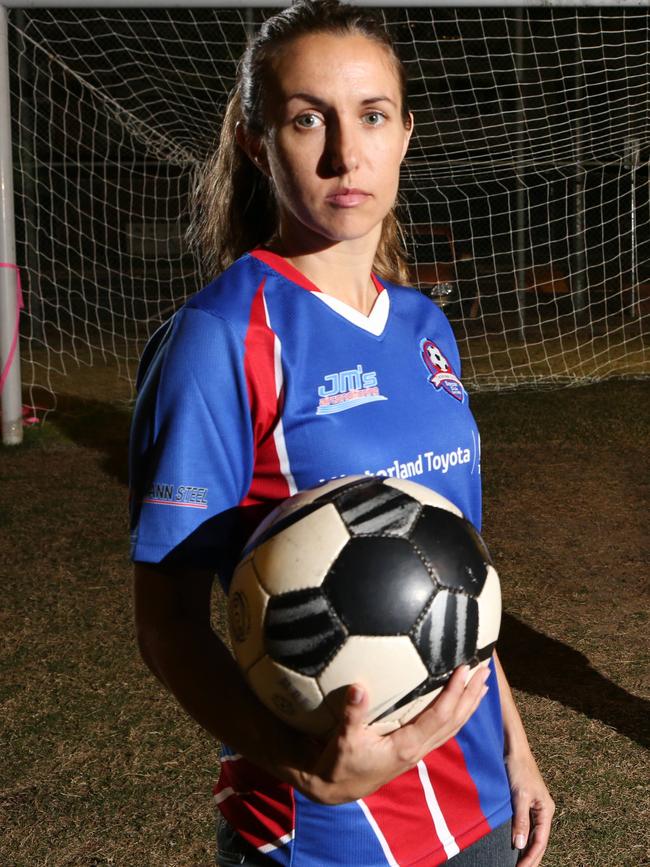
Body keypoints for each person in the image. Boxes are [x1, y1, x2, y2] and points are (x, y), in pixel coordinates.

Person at [129, 2, 554, 865]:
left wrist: (516, 748)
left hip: (476, 808)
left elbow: (452, 574)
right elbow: (168, 626)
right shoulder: (221, 337)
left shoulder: (425, 324)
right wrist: (297, 761)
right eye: (306, 117)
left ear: (404, 133)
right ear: (256, 140)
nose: (343, 154)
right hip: (324, 833)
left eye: (371, 116)